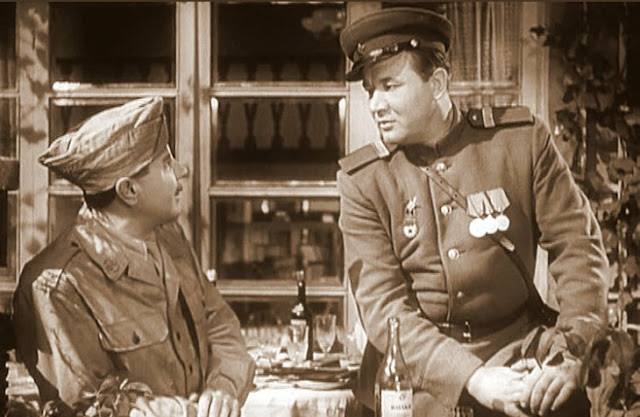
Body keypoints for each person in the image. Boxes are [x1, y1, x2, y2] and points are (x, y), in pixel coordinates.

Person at [337, 7, 609, 417]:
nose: (375, 104)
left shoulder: (521, 142)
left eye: (390, 86)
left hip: (521, 365)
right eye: (371, 90)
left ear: (437, 84)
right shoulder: (365, 180)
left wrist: (570, 353)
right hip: (414, 384)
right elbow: (385, 308)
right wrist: (473, 378)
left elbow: (579, 249)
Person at [13, 97, 255, 417]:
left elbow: (221, 326)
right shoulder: (58, 287)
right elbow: (91, 408)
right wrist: (192, 412)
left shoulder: (170, 238)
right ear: (129, 191)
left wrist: (222, 386)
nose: (181, 171)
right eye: (166, 164)